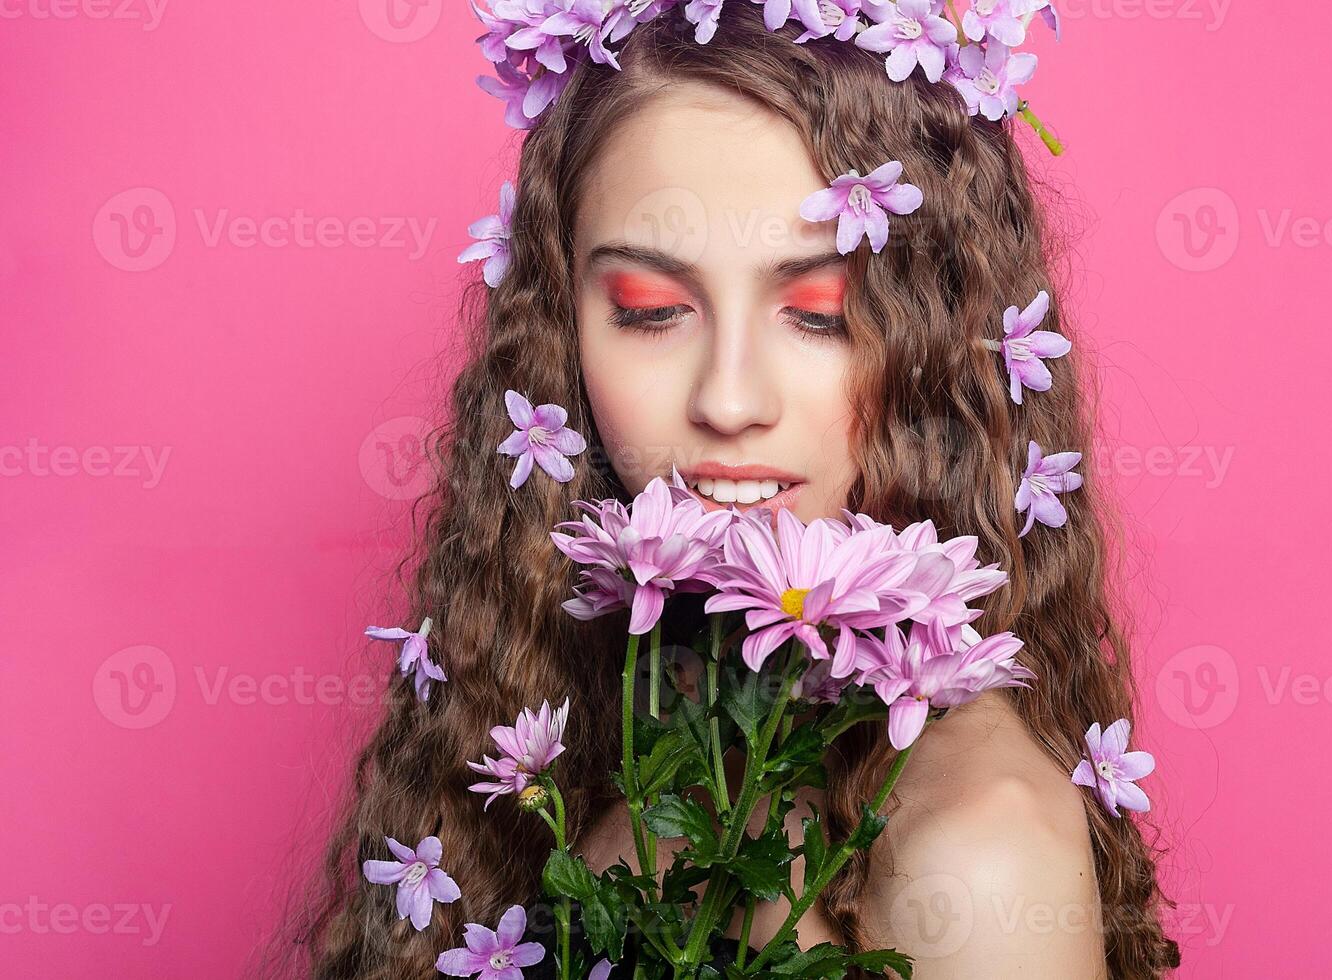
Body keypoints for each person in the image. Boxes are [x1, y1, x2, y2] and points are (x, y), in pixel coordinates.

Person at [270, 4, 1179, 977]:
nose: (729, 398)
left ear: (941, 340)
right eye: (653, 311)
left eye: (822, 313)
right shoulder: (590, 725)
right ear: (557, 327)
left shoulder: (975, 851)